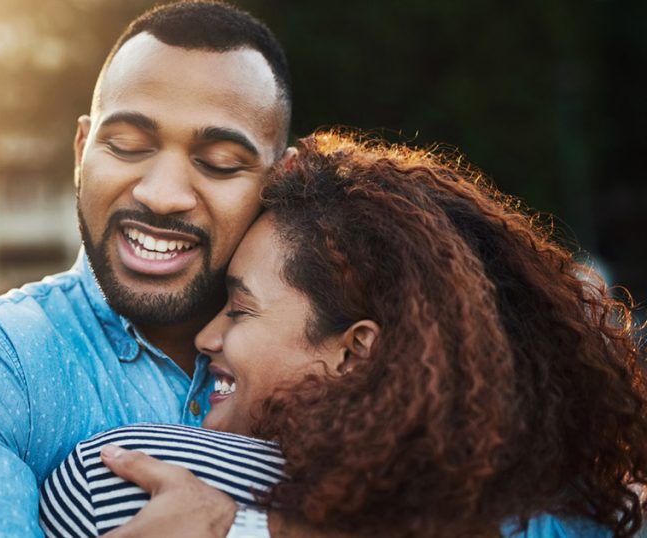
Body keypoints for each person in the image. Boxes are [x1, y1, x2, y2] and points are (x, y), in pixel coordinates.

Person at [39, 131, 647, 537]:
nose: (206, 336)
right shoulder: (569, 503)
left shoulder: (129, 480)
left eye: (240, 309)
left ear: (355, 350)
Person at [0, 2, 296, 536]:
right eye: (127, 146)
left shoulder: (345, 358)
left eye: (219, 163)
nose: (161, 196)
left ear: (282, 181)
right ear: (80, 151)